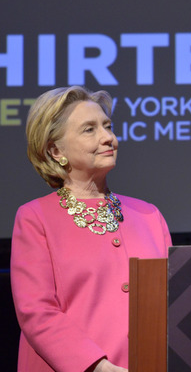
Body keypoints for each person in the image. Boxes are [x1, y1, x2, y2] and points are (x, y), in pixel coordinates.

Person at [10, 86, 172, 371]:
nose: (108, 138)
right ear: (55, 149)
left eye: (108, 127)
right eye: (89, 130)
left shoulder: (149, 215)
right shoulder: (35, 219)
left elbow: (173, 303)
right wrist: (96, 365)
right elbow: (36, 311)